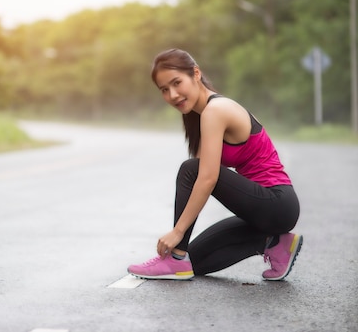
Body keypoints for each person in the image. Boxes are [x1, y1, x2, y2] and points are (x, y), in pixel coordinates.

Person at [128, 48, 302, 281]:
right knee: (195, 262)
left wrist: (178, 233)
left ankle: (175, 259)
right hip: (261, 212)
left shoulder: (216, 110)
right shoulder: (201, 116)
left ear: (196, 74)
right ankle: (275, 243)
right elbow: (201, 181)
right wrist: (180, 239)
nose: (172, 94)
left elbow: (206, 178)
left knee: (190, 169)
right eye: (164, 90)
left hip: (276, 203)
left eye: (177, 83)